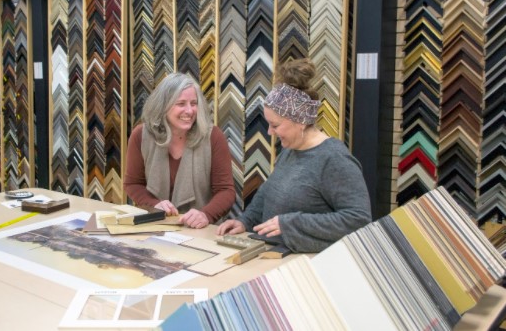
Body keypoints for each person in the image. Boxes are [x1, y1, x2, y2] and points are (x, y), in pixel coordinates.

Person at [216, 58, 371, 253]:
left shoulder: (334, 160)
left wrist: (292, 224)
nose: (270, 133)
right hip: (277, 257)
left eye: (276, 125)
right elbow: (267, 193)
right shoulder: (289, 151)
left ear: (301, 121)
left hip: (310, 266)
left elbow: (359, 219)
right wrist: (245, 221)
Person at [124, 73, 235, 229]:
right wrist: (154, 204)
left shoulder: (213, 137)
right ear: (163, 106)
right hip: (154, 226)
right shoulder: (141, 136)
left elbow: (226, 191)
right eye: (181, 104)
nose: (189, 111)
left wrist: (205, 214)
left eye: (194, 103)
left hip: (199, 231)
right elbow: (133, 183)